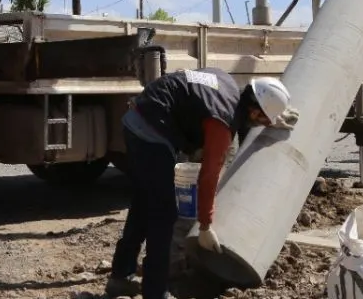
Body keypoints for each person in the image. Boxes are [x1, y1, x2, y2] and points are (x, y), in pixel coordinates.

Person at [105, 69, 298, 299]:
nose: (263, 125)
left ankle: (120, 277)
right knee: (163, 215)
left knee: (143, 204)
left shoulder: (227, 85)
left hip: (139, 115)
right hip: (151, 130)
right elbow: (208, 176)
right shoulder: (222, 122)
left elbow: (193, 96)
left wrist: (270, 118)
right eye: (264, 120)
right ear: (254, 110)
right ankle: (155, 292)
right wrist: (205, 225)